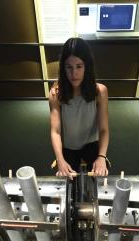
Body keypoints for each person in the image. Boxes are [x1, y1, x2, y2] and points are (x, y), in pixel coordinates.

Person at [49, 37, 109, 179]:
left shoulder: (100, 91)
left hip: (92, 143)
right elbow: (55, 131)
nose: (74, 74)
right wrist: (60, 159)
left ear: (86, 66)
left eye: (79, 66)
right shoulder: (56, 94)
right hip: (69, 146)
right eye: (69, 67)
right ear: (63, 68)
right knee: (68, 181)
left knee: (99, 178)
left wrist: (101, 156)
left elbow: (104, 129)